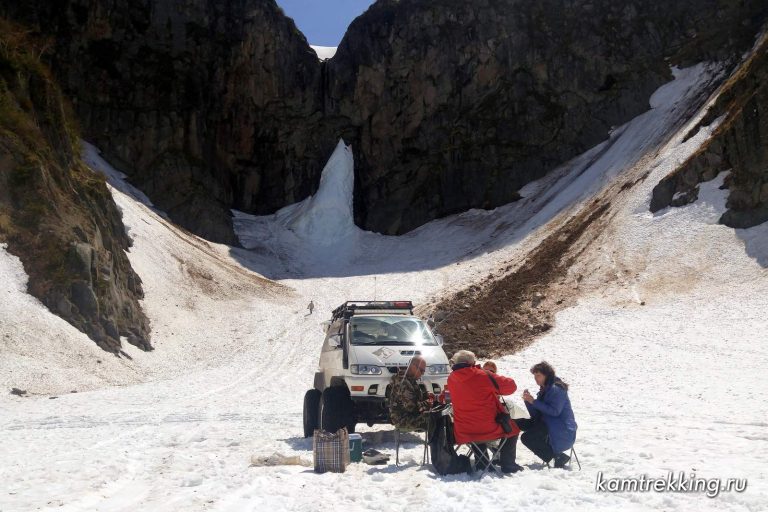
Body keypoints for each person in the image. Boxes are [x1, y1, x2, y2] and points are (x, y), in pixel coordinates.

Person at [447, 350, 523, 473]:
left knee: (476, 430)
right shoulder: (483, 375)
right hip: (487, 428)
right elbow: (511, 386)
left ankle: (482, 462)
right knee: (512, 429)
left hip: (464, 430)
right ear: (470, 362)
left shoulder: (451, 379)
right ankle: (508, 464)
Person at [518, 361, 577, 468]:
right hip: (547, 423)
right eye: (535, 376)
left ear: (547, 375)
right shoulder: (544, 390)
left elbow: (555, 411)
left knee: (527, 438)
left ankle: (557, 459)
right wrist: (528, 401)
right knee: (513, 423)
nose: (536, 378)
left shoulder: (557, 389)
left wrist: (534, 402)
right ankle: (504, 459)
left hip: (560, 429)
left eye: (538, 375)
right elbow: (537, 415)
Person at [389, 355, 431, 431]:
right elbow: (411, 407)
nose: (422, 374)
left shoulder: (410, 379)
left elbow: (416, 398)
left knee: (440, 415)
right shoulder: (403, 382)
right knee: (436, 418)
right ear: (412, 366)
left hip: (410, 416)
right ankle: (440, 442)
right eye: (421, 370)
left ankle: (441, 442)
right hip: (403, 420)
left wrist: (427, 397)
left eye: (423, 371)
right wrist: (427, 403)